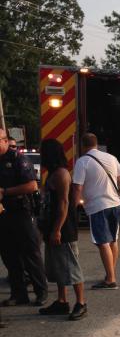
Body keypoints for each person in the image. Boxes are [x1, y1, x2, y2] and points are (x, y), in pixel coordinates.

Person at [71, 133, 120, 289]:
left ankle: (110, 279)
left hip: (98, 207)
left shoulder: (82, 162)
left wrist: (73, 205)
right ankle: (111, 273)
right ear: (96, 144)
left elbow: (77, 187)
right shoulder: (111, 158)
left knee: (102, 242)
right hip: (114, 204)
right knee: (112, 240)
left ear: (82, 145)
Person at [38, 139, 87, 320]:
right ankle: (61, 301)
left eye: (44, 151)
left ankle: (81, 303)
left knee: (70, 266)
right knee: (58, 267)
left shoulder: (61, 174)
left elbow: (64, 203)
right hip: (52, 226)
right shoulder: (51, 173)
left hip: (63, 228)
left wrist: (57, 229)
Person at [0, 128, 48, 306]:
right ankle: (18, 294)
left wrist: (5, 192)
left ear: (5, 141)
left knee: (30, 254)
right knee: (9, 257)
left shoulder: (18, 159)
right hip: (3, 215)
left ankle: (41, 291)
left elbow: (31, 186)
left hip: (20, 212)